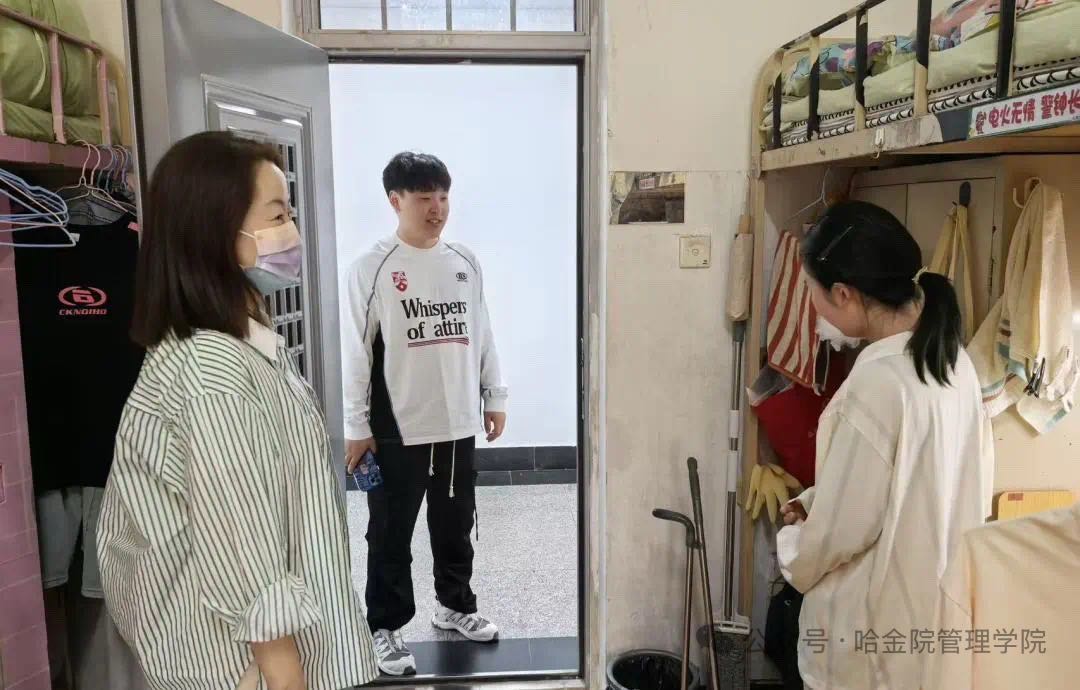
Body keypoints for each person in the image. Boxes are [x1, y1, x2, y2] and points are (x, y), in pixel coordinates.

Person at [96, 131, 378, 690]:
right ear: (217, 231)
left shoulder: (242, 345)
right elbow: (240, 542)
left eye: (288, 213)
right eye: (277, 215)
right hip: (244, 666)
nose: (292, 231)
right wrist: (285, 677)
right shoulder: (213, 371)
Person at [775, 200, 994, 690]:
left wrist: (792, 544)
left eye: (812, 292)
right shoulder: (952, 363)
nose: (812, 308)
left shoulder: (877, 385)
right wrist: (818, 499)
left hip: (869, 643)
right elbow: (916, 486)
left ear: (843, 293)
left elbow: (839, 535)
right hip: (931, 628)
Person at [342, 151, 508, 676]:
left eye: (443, 197)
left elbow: (481, 330)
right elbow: (356, 352)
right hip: (397, 425)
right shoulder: (372, 267)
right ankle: (384, 627)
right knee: (390, 532)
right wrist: (356, 425)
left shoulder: (464, 261)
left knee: (455, 523)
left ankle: (455, 605)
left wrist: (494, 395)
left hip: (457, 420)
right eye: (423, 198)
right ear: (396, 201)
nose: (437, 209)